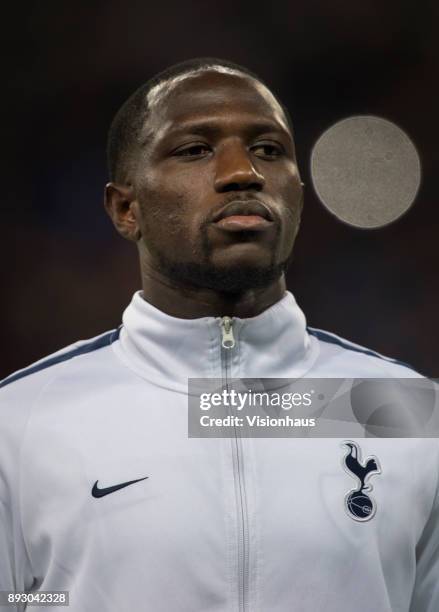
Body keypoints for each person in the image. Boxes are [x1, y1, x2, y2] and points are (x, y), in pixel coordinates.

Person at [0, 57, 437, 612]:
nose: (243, 172)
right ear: (125, 208)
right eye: (195, 149)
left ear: (298, 196)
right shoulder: (20, 422)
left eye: (268, 150)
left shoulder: (400, 410)